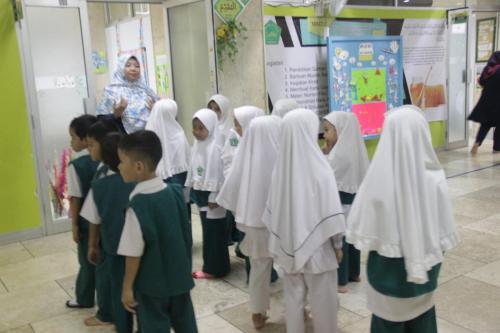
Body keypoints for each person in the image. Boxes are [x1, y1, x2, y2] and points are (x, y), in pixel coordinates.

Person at [346, 105, 459, 333]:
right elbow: (443, 233)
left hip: (388, 278)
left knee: (386, 325)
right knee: (424, 321)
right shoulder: (436, 179)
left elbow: (361, 229)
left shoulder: (376, 181)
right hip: (426, 277)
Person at [263, 109, 346, 333]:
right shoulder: (321, 169)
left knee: (293, 301)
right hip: (319, 250)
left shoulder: (279, 171)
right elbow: (331, 210)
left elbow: (273, 211)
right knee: (324, 304)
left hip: (288, 247)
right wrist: (338, 245)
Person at [117, 130, 197, 333]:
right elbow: (185, 235)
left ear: (138, 167)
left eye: (121, 161)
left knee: (153, 326)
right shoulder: (176, 193)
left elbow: (133, 253)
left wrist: (127, 287)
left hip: (151, 286)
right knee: (186, 324)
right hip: (180, 279)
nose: (118, 166)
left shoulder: (136, 207)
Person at [217, 115, 281, 329]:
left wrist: (241, 211)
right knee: (292, 268)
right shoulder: (281, 156)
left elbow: (231, 186)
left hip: (255, 223)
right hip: (281, 223)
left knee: (258, 268)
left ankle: (257, 313)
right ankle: (300, 309)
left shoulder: (245, 156)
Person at [81, 132, 136, 333]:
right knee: (141, 289)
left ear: (104, 158)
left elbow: (94, 220)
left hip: (114, 247)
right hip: (142, 248)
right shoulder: (138, 180)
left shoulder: (99, 186)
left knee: (119, 289)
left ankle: (123, 326)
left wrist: (92, 245)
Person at [322, 112, 369, 293]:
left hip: (340, 203)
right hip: (355, 202)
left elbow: (326, 174)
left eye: (327, 130)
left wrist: (323, 155)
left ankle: (340, 281)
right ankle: (354, 274)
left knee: (339, 239)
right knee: (353, 239)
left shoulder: (337, 156)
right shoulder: (356, 149)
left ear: (340, 130)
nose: (324, 135)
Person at [79, 119, 119, 327]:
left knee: (106, 277)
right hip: (115, 237)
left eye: (91, 144)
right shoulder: (113, 168)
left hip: (108, 239)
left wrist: (92, 243)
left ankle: (106, 314)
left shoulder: (105, 176)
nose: (88, 148)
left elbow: (95, 216)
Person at [186, 109, 229, 279]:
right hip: (202, 195)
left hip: (213, 198)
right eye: (194, 127)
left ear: (211, 127)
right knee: (209, 231)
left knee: (214, 233)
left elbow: (219, 174)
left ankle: (214, 269)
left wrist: (213, 196)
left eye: (200, 128)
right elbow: (193, 168)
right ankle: (216, 265)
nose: (196, 132)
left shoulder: (216, 146)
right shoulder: (198, 144)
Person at [66, 114, 99, 309]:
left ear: (85, 139)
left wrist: (75, 225)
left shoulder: (76, 165)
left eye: (72, 137)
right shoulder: (107, 159)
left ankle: (84, 298)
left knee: (86, 260)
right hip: (105, 219)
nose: (71, 141)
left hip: (87, 222)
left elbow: (76, 198)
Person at [96, 55, 159, 134]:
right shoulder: (110, 90)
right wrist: (115, 115)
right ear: (121, 68)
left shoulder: (147, 90)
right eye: (128, 65)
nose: (133, 69)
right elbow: (100, 122)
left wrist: (155, 110)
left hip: (147, 136)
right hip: (122, 138)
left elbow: (161, 112)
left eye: (137, 66)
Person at [469, 51, 500, 154]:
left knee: (485, 124)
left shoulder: (488, 69)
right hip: (498, 102)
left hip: (486, 100)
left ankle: (477, 143)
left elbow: (481, 81)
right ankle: (496, 148)